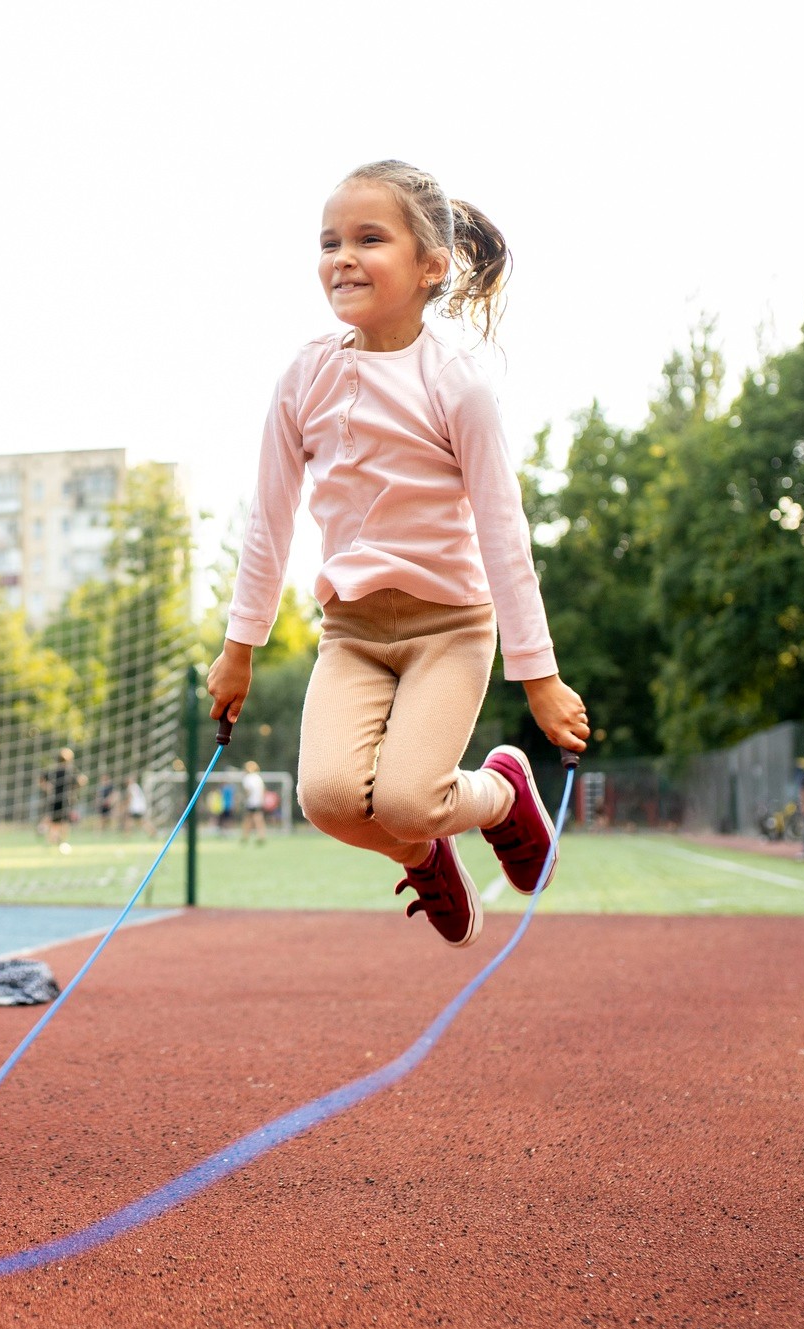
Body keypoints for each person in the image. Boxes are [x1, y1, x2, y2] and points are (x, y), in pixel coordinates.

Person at [207, 160, 588, 950]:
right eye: (329, 241)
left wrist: (541, 679)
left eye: (367, 239)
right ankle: (429, 857)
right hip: (351, 634)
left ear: (430, 267)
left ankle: (504, 793)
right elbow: (268, 523)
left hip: (449, 627)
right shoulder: (302, 378)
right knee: (330, 800)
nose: (341, 257)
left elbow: (503, 534)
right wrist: (237, 648)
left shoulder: (458, 385)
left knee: (410, 797)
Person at [38, 748, 79, 854]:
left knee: (54, 822)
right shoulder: (69, 771)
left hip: (55, 799)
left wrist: (47, 787)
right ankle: (60, 841)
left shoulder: (53, 770)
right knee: (64, 823)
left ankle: (51, 840)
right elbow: (80, 781)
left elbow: (41, 779)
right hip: (64, 799)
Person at [241, 761, 269, 845]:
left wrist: (243, 798)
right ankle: (261, 836)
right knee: (258, 819)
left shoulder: (247, 778)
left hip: (251, 802)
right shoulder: (258, 777)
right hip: (259, 801)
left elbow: (248, 790)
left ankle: (245, 837)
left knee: (248, 819)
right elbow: (263, 790)